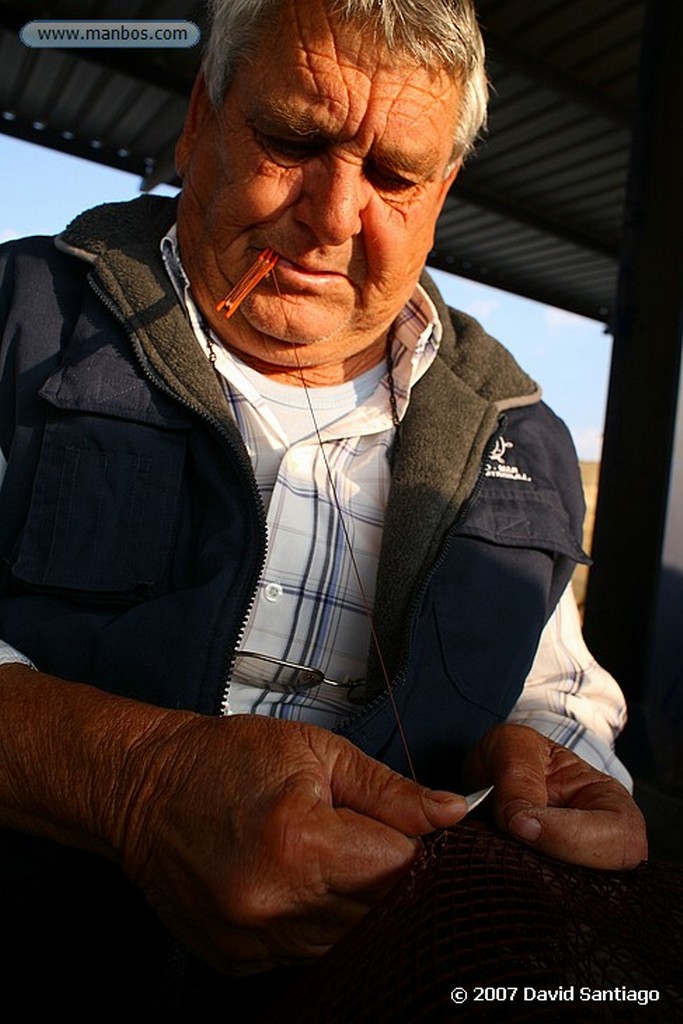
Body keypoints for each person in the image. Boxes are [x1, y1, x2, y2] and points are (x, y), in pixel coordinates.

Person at [0, 0, 646, 1017]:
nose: (336, 213)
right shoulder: (20, 314)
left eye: (392, 175)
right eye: (293, 139)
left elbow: (556, 690)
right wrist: (131, 781)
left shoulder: (518, 434)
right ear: (200, 119)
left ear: (442, 189)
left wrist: (546, 765)